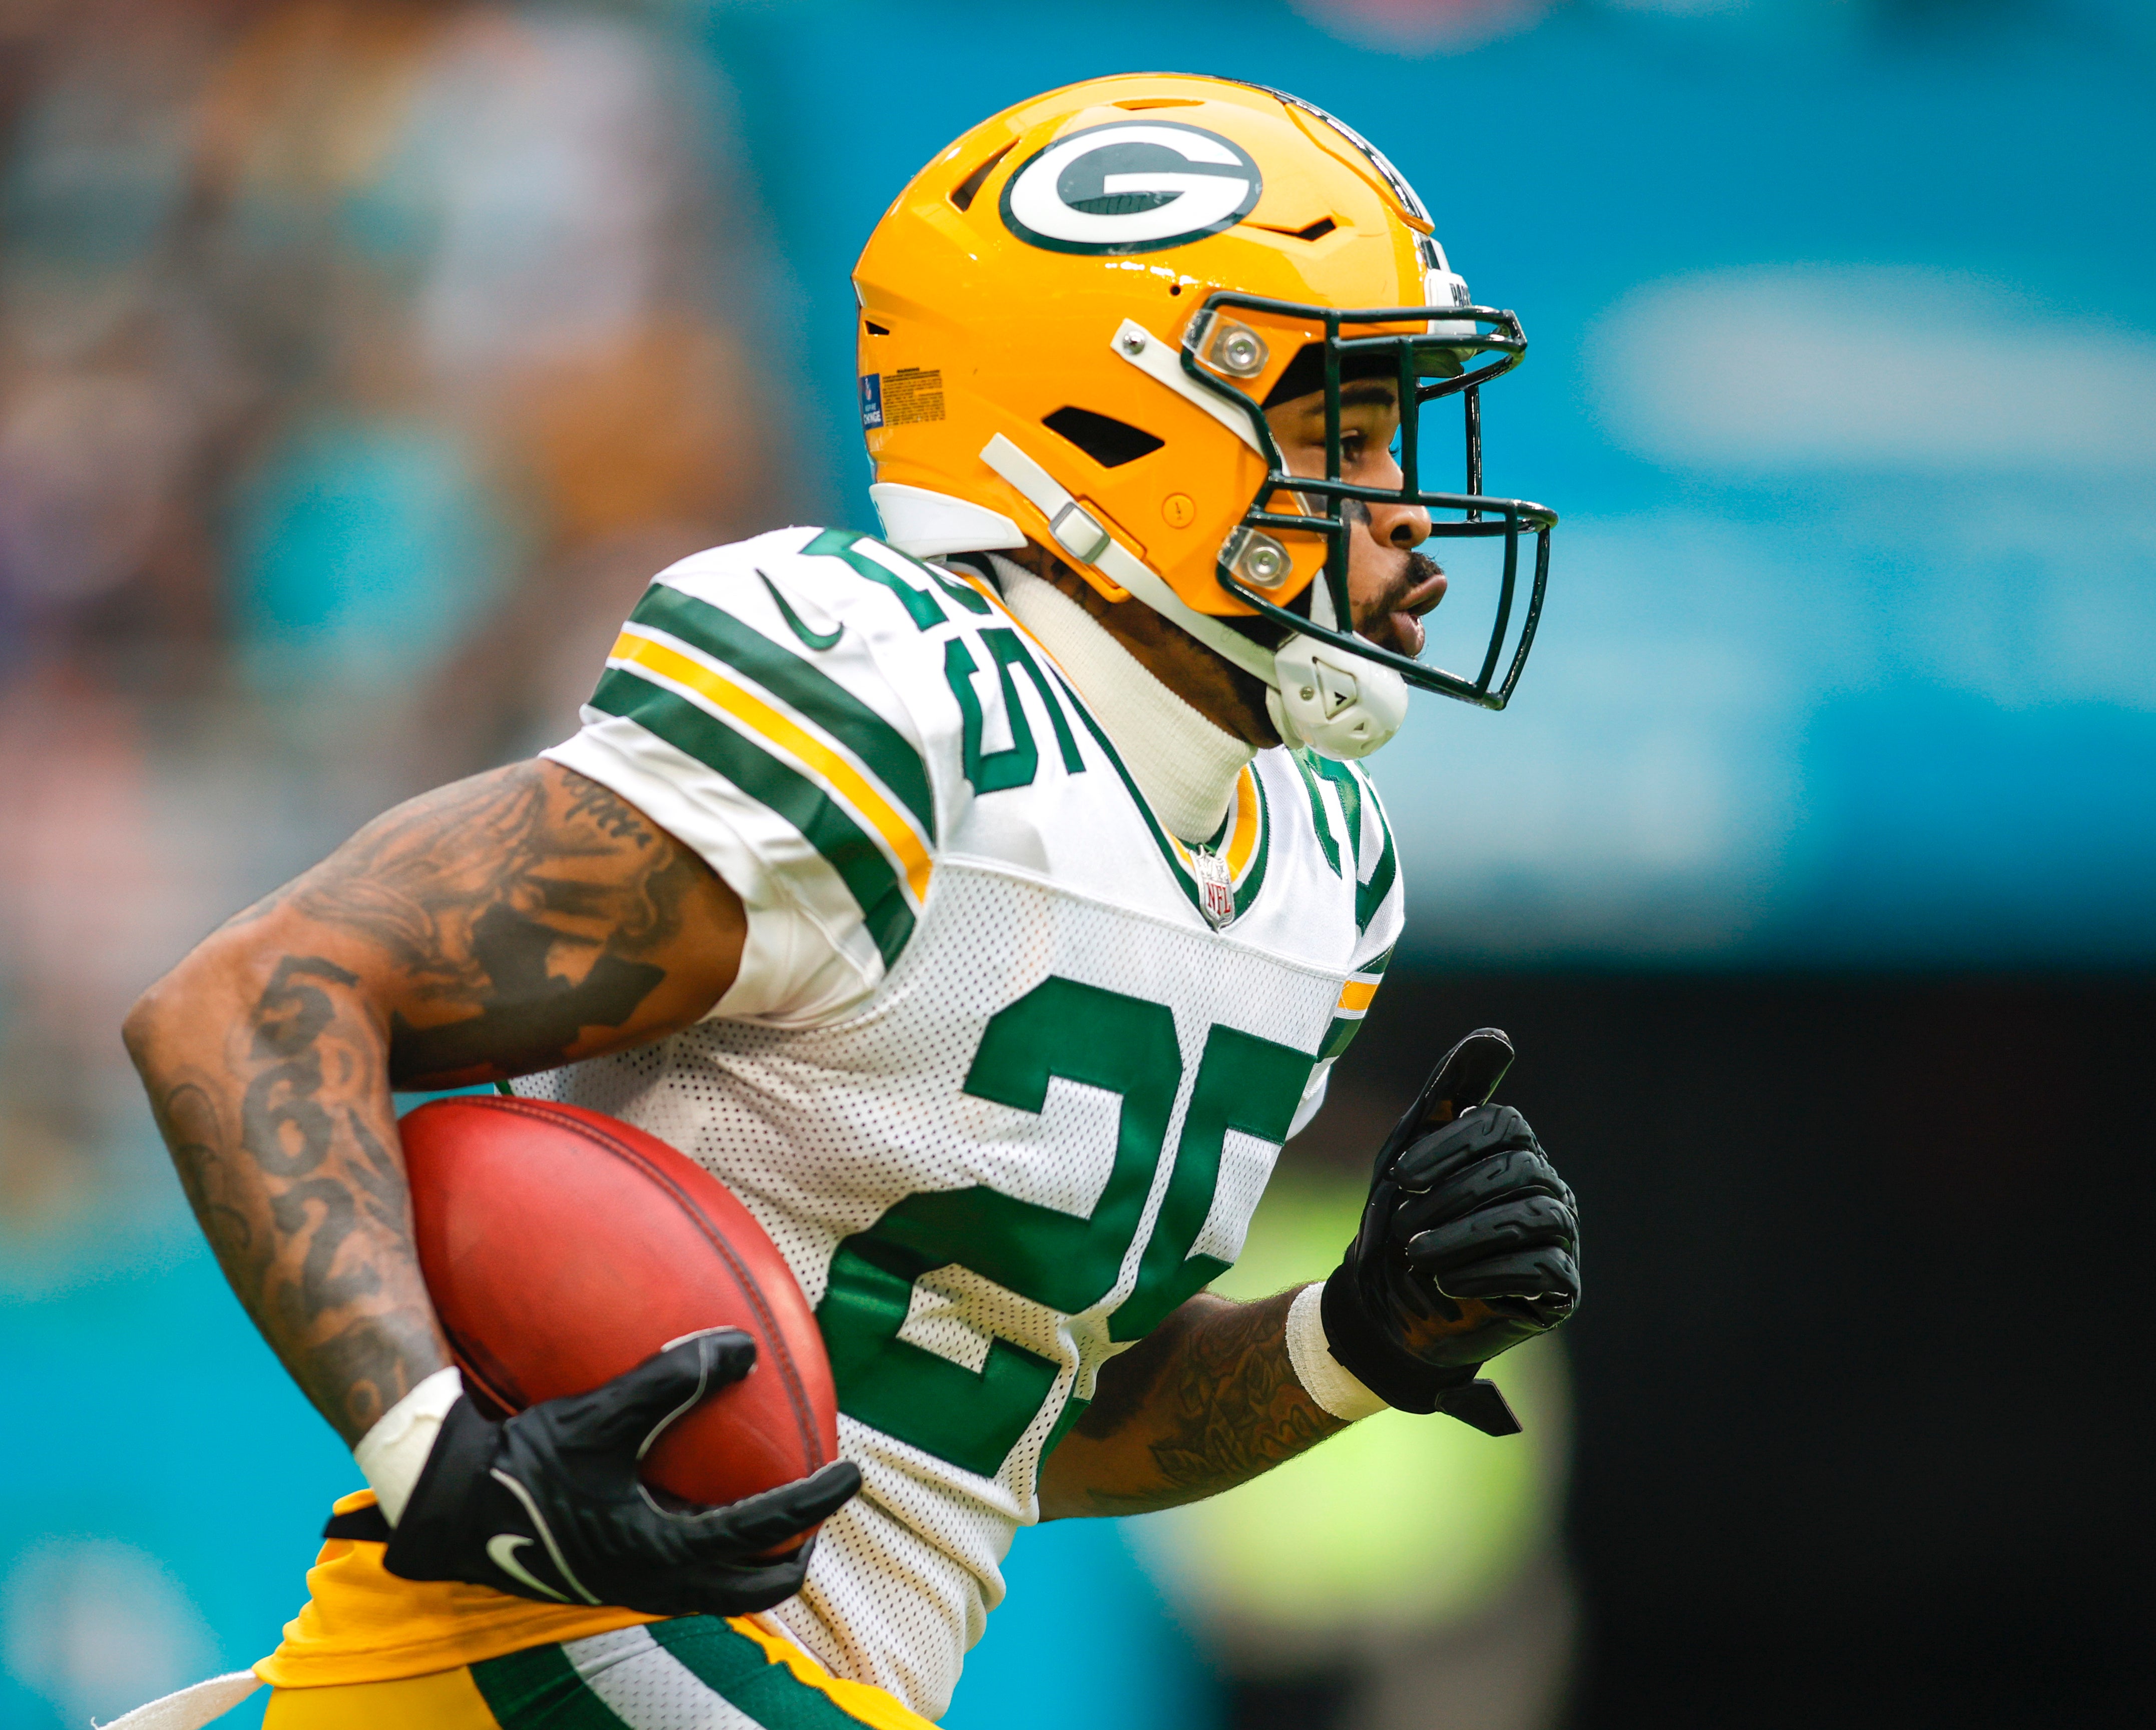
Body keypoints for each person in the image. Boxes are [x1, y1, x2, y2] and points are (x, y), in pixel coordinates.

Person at [122, 73, 1582, 1730]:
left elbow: (1009, 1413)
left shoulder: (1324, 862)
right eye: (1342, 432)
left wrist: (1352, 1338)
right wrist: (440, 1450)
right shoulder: (896, 702)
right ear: (1121, 427)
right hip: (550, 1654)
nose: (1404, 515)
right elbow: (252, 999)